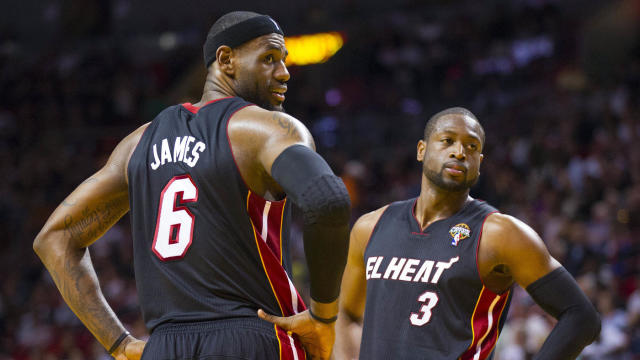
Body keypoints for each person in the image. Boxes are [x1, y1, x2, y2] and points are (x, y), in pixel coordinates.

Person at [33, 11, 351, 360]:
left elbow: (55, 237)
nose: (284, 72)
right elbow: (328, 200)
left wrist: (118, 343)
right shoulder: (266, 129)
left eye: (284, 61)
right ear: (226, 59)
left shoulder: (138, 143)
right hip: (252, 338)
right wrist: (323, 314)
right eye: (270, 58)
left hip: (165, 346)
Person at [335, 107, 601, 359]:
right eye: (447, 141)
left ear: (480, 162)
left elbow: (581, 317)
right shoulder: (370, 227)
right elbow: (347, 314)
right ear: (421, 150)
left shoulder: (500, 234)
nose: (460, 152)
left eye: (471, 147)